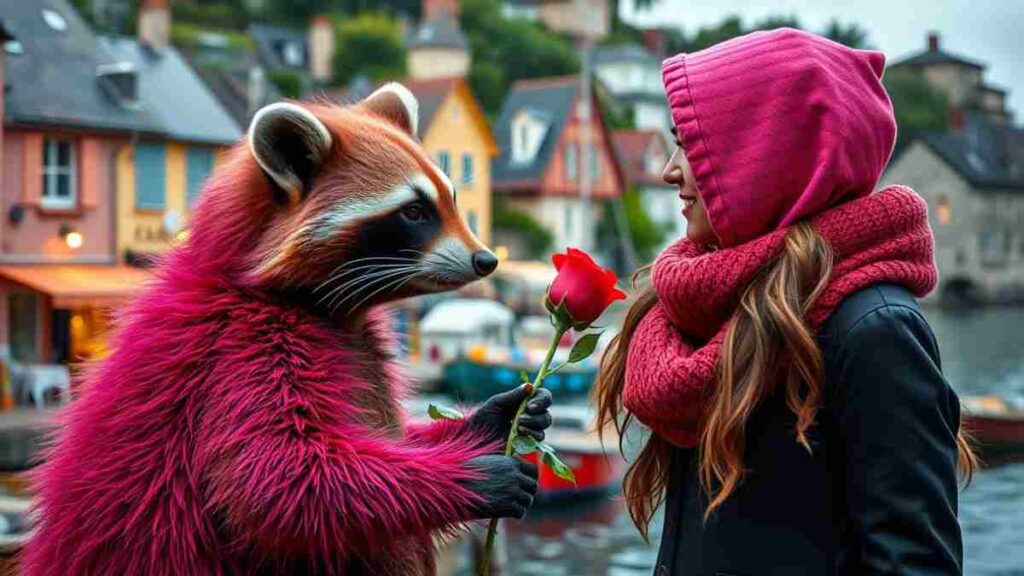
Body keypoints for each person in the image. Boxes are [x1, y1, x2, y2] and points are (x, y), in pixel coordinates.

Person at [594, 28, 975, 575]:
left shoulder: (874, 329)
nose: (669, 170)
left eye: (691, 146)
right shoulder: (710, 305)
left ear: (766, 158)